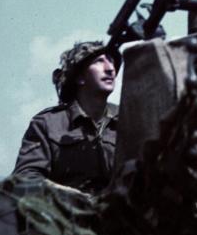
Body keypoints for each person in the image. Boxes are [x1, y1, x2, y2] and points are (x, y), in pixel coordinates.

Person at [12, 40, 119, 194]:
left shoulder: (128, 119)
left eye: (111, 61)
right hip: (69, 213)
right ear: (79, 77)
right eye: (99, 61)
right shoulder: (47, 123)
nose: (110, 69)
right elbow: (26, 178)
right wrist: (71, 196)